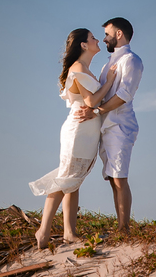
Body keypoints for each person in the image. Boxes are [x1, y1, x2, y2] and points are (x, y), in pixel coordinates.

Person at [28, 28, 118, 249]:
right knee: (67, 178)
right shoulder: (78, 68)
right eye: (93, 38)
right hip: (78, 131)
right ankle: (44, 229)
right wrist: (109, 82)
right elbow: (90, 102)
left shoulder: (84, 68)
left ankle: (69, 232)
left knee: (73, 181)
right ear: (84, 45)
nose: (98, 40)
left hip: (86, 132)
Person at [72, 17, 143, 235]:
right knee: (113, 178)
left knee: (120, 177)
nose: (103, 39)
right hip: (106, 127)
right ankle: (122, 226)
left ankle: (124, 229)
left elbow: (123, 96)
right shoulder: (108, 63)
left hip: (120, 126)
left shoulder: (131, 60)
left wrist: (95, 111)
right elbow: (101, 95)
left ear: (119, 34)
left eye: (107, 34)